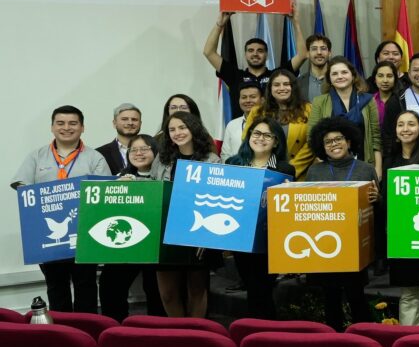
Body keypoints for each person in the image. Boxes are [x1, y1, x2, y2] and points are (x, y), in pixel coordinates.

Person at [11, 105, 111, 313]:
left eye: (73, 123)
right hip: (48, 239)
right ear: (52, 127)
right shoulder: (36, 156)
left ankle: (87, 333)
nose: (67, 127)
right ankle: (62, 336)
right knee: (56, 288)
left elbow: (105, 192)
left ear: (82, 127)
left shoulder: (95, 158)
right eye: (61, 123)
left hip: (85, 236)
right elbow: (22, 187)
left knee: (86, 287)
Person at [305, 117, 380, 329]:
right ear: (321, 146)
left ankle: (365, 341)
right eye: (328, 141)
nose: (334, 144)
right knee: (330, 299)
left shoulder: (365, 169)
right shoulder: (314, 172)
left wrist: (378, 199)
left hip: (354, 246)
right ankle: (334, 343)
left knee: (357, 298)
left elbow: (376, 210)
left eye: (338, 139)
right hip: (325, 246)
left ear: (349, 141)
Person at [223, 116, 295, 319]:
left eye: (267, 135)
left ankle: (264, 333)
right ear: (248, 137)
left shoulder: (284, 170)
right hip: (240, 238)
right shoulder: (233, 164)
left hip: (270, 240)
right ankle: (260, 334)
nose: (260, 138)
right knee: (252, 287)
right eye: (256, 133)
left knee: (262, 288)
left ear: (276, 141)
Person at [153, 111, 221, 319]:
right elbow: (155, 189)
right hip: (165, 233)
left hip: (198, 232)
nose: (177, 133)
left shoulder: (211, 159)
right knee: (167, 294)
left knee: (197, 290)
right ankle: (178, 334)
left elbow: (217, 196)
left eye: (182, 127)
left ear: (193, 128)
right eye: (172, 129)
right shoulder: (162, 158)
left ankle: (195, 335)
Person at [96, 134, 167, 320]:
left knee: (156, 287)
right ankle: (116, 328)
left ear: (155, 151)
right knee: (109, 284)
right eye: (133, 150)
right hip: (127, 242)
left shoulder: (164, 174)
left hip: (155, 244)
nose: (138, 153)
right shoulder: (120, 178)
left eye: (144, 149)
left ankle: (158, 330)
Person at [381, 109, 419, 327]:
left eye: (411, 124)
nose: (406, 129)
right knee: (408, 294)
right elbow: (386, 197)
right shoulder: (389, 160)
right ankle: (409, 340)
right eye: (401, 124)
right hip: (403, 234)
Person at [309, 57, 380, 175]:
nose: (340, 76)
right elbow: (312, 136)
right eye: (334, 74)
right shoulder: (319, 102)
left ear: (353, 76)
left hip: (364, 163)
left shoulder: (368, 100)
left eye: (344, 72)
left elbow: (376, 137)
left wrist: (377, 168)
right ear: (329, 79)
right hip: (331, 165)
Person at [248, 71, 314, 178]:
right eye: (276, 85)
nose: (282, 88)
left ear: (293, 87)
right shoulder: (257, 111)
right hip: (261, 173)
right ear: (270, 89)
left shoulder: (308, 109)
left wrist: (289, 170)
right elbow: (247, 139)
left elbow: (312, 143)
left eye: (286, 84)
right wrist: (267, 170)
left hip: (298, 174)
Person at [203, 17, 273, 98]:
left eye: (260, 51)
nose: (255, 54)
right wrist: (220, 24)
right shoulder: (235, 76)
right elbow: (209, 52)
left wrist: (291, 18)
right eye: (250, 50)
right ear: (245, 55)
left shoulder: (277, 76)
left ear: (267, 55)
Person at [96, 103, 142, 175]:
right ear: (114, 123)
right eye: (124, 119)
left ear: (140, 123)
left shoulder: (153, 150)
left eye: (134, 119)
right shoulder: (99, 153)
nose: (130, 123)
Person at [219, 85, 262, 160]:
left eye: (253, 97)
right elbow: (225, 155)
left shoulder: (269, 123)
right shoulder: (232, 125)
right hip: (235, 169)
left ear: (262, 100)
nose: (248, 100)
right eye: (244, 97)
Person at [290, 35, 332, 103]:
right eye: (314, 49)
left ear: (329, 53)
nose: (319, 52)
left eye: (323, 48)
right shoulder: (297, 83)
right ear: (308, 53)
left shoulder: (338, 80)